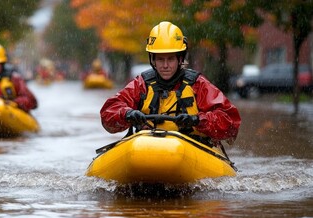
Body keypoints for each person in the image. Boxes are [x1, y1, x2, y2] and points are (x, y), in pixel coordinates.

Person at [100, 21, 241, 146]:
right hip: (148, 146)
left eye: (170, 59)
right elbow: (108, 112)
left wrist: (197, 120)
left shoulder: (198, 85)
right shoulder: (141, 84)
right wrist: (127, 114)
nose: (165, 65)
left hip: (192, 147)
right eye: (160, 59)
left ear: (180, 59)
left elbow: (230, 122)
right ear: (153, 60)